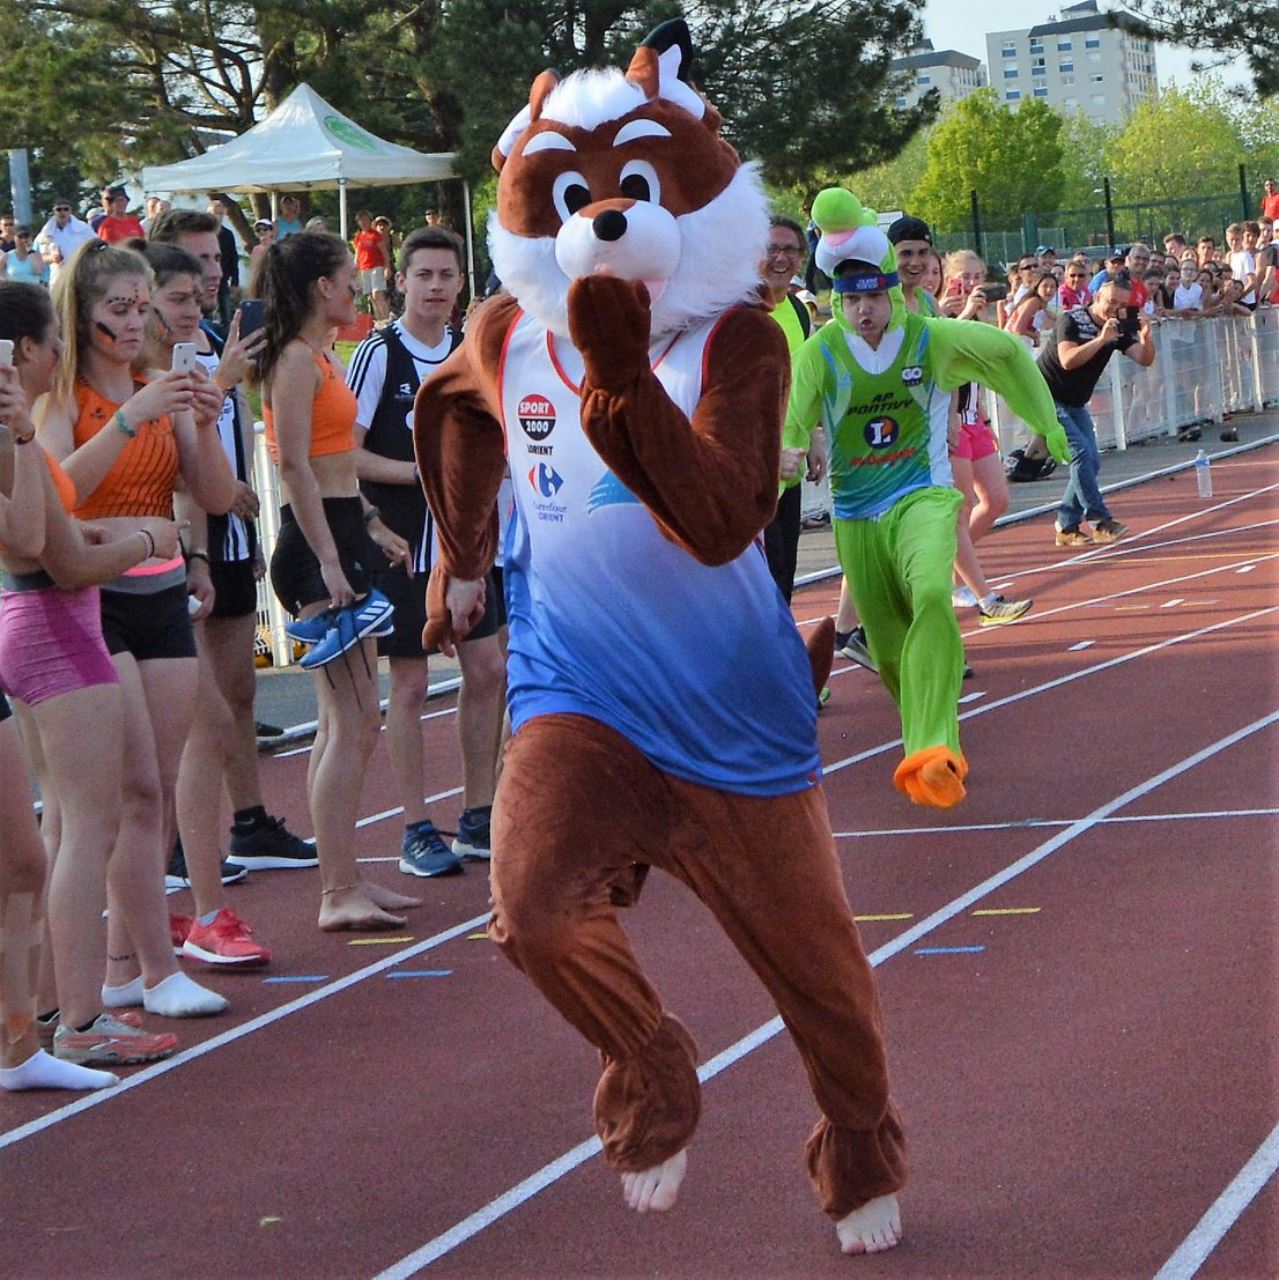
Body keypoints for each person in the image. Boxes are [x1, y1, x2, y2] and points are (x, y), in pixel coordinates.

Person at [786, 189, 1068, 809]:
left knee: (934, 596)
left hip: (923, 495)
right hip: (856, 516)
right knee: (889, 650)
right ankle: (927, 738)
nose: (863, 311)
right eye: (850, 300)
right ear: (836, 300)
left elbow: (1005, 354)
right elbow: (791, 425)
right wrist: (785, 461)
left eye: (873, 298)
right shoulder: (818, 355)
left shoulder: (930, 338)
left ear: (893, 293)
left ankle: (935, 748)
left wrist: (1045, 423)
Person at [37, 239, 234, 1019]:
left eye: (139, 307)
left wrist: (204, 422)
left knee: (153, 792)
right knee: (128, 789)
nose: (132, 322)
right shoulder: (64, 401)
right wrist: (127, 420)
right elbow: (56, 490)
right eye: (116, 308)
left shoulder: (161, 388)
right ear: (80, 316)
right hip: (88, 597)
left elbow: (215, 495)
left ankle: (127, 965)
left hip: (161, 594)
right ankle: (154, 970)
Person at [0, 281, 184, 1068]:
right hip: (56, 630)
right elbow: (58, 558)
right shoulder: (18, 432)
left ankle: (50, 1011)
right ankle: (79, 1017)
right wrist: (144, 544)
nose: (59, 354)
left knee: (57, 835)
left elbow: (53, 528)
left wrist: (101, 532)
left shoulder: (22, 435)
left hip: (39, 624)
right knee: (86, 827)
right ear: (29, 350)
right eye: (52, 342)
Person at [253, 231, 419, 931]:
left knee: (347, 721)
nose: (360, 287)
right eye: (350, 277)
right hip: (315, 544)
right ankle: (336, 890)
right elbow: (293, 466)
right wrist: (327, 557)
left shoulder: (322, 356)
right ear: (322, 286)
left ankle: (345, 876)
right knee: (352, 720)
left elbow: (334, 462)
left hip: (343, 531)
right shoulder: (294, 359)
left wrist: (370, 524)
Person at [147, 212, 316, 886]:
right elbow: (170, 443)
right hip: (171, 535)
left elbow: (226, 434)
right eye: (193, 266)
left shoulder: (220, 337)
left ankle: (248, 821)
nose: (211, 276)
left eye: (216, 262)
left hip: (226, 527)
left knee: (236, 691)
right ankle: (174, 843)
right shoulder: (153, 360)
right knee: (190, 710)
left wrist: (239, 508)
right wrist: (219, 381)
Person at [347, 225, 507, 874]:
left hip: (464, 544)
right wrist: (422, 473)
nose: (435, 287)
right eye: (424, 275)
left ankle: (477, 813)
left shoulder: (471, 351)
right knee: (410, 683)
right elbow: (344, 454)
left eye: (446, 276)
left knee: (488, 670)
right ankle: (416, 827)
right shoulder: (379, 353)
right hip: (401, 545)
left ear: (462, 283)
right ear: (400, 281)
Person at [938, 250, 1033, 625]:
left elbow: (976, 371)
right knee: (960, 511)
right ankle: (983, 596)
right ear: (949, 278)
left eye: (978, 277)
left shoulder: (977, 317)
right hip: (949, 423)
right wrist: (963, 313)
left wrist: (984, 416)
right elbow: (944, 353)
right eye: (965, 277)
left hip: (972, 417)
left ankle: (951, 564)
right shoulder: (943, 314)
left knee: (997, 499)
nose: (972, 284)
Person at [1037, 271, 1155, 548]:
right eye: (1111, 302)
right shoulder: (1071, 320)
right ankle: (1099, 520)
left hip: (1076, 400)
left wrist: (1147, 337)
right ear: (1097, 297)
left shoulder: (1118, 329)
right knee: (1080, 452)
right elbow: (1067, 360)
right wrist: (1101, 340)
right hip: (1046, 395)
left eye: (1122, 304)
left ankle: (1066, 525)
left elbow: (1144, 359)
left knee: (1093, 460)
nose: (1115, 309)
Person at [759, 216, 824, 603]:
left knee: (784, 576)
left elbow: (803, 383)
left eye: (790, 250)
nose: (780, 259)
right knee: (762, 582)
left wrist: (814, 437)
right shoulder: (739, 311)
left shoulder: (799, 311)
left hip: (792, 464)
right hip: (755, 467)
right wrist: (768, 455)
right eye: (771, 249)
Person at [35, 199, 95, 285]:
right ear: (54, 212)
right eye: (59, 209)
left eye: (66, 209)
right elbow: (41, 258)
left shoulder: (83, 228)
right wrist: (52, 258)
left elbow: (96, 245)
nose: (62, 212)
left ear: (70, 211)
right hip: (58, 276)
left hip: (80, 274)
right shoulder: (46, 232)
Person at [351, 210, 391, 323]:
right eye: (361, 220)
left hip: (376, 266)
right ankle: (379, 320)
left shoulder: (375, 235)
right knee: (371, 297)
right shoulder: (358, 237)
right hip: (364, 268)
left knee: (377, 294)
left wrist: (387, 267)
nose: (364, 222)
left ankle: (386, 319)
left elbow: (384, 252)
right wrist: (355, 268)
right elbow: (357, 254)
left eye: (366, 219)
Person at [207, 199, 241, 330]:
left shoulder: (227, 234)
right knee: (207, 314)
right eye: (215, 213)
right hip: (205, 280)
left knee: (225, 314)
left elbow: (233, 257)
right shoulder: (204, 235)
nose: (218, 217)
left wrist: (235, 281)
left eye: (221, 213)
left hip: (222, 280)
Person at [1005, 270, 1059, 346]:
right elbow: (1018, 328)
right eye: (1045, 286)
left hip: (1021, 343)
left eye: (1052, 287)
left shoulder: (1043, 306)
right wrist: (1035, 336)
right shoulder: (1034, 301)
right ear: (1037, 287)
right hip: (1012, 343)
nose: (1049, 290)